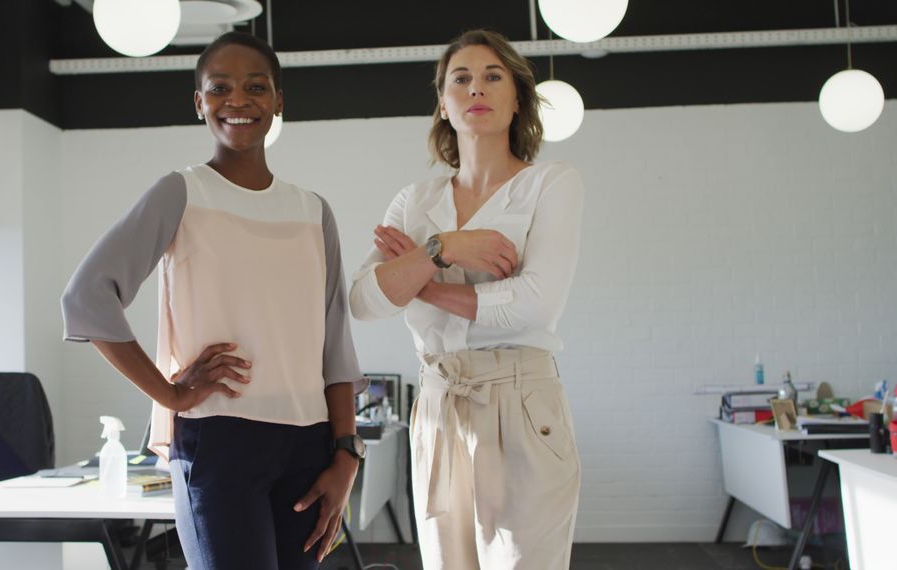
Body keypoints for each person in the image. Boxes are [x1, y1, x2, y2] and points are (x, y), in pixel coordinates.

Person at [61, 31, 367, 570]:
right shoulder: (182, 193)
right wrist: (171, 395)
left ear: (278, 101)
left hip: (309, 444)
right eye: (219, 87)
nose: (238, 100)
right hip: (218, 440)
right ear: (199, 102)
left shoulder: (313, 211)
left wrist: (346, 454)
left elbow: (335, 341)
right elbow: (88, 296)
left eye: (256, 86)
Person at [349, 29, 584, 570]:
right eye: (461, 78)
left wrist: (422, 281)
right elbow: (363, 301)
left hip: (522, 401)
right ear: (443, 103)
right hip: (438, 406)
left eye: (492, 76)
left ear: (517, 97)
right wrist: (445, 247)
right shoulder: (416, 200)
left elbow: (535, 304)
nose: (476, 88)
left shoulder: (550, 184)